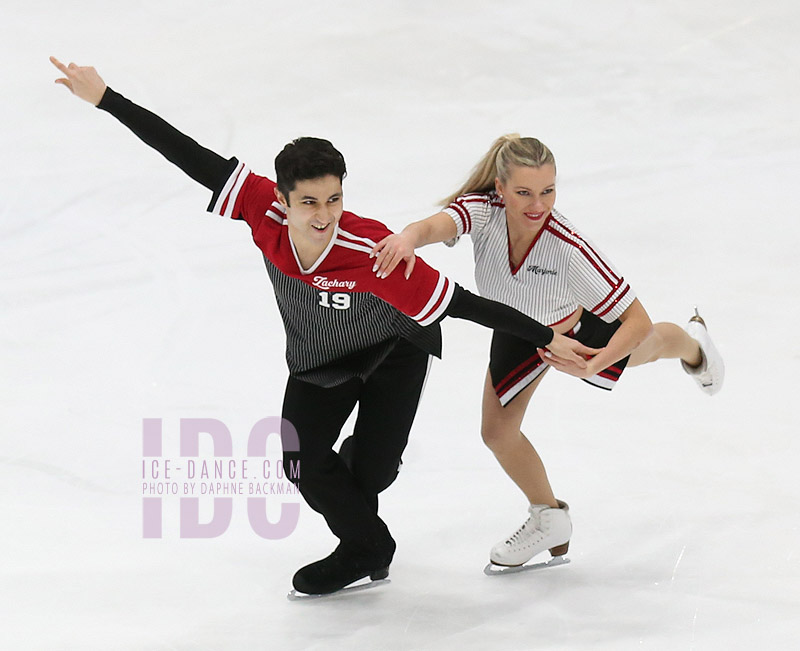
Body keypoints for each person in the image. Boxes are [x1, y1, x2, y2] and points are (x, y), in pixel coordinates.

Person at [50, 60, 600, 594]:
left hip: (394, 350)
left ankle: (361, 532)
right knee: (301, 461)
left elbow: (462, 303)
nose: (323, 215)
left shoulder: (370, 250)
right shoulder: (258, 208)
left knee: (373, 477)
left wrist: (546, 336)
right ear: (282, 199)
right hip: (320, 359)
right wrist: (106, 99)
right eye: (308, 202)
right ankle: (368, 547)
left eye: (334, 199)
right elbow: (189, 155)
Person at [370, 134, 725, 568]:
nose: (537, 205)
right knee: (497, 433)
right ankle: (550, 518)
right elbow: (433, 226)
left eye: (547, 191)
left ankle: (694, 345)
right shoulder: (483, 212)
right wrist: (408, 237)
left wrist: (593, 362)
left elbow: (637, 320)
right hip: (518, 332)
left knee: (646, 347)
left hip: (574, 332)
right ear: (499, 189)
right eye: (523, 192)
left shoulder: (570, 248)